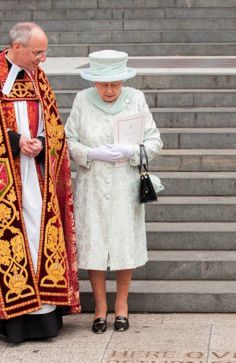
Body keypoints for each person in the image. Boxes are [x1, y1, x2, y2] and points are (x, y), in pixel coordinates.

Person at [0, 22, 81, 342]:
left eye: (44, 52)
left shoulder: (37, 75)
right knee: (15, 240)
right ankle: (16, 322)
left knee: (41, 237)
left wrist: (42, 141)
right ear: (16, 47)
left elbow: (54, 124)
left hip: (38, 176)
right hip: (2, 178)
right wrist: (15, 143)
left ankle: (46, 319)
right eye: (38, 52)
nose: (43, 59)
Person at [65, 50, 163, 334]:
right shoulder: (83, 100)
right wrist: (90, 153)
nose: (109, 90)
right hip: (92, 182)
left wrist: (132, 150)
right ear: (94, 82)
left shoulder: (136, 99)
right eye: (104, 84)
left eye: (115, 83)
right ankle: (99, 307)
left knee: (123, 242)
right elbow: (69, 139)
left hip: (124, 182)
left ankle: (122, 304)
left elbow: (155, 141)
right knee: (94, 242)